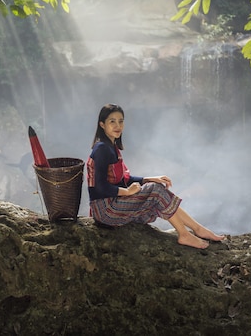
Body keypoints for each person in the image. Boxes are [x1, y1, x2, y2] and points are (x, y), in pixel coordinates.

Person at [87, 103, 225, 249]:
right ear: (102, 124)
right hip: (105, 211)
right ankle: (184, 234)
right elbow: (98, 188)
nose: (118, 125)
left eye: (121, 121)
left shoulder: (110, 147)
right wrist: (127, 192)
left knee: (156, 189)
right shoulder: (102, 149)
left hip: (112, 204)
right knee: (156, 191)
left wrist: (149, 178)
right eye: (112, 121)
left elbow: (122, 179)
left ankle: (198, 229)